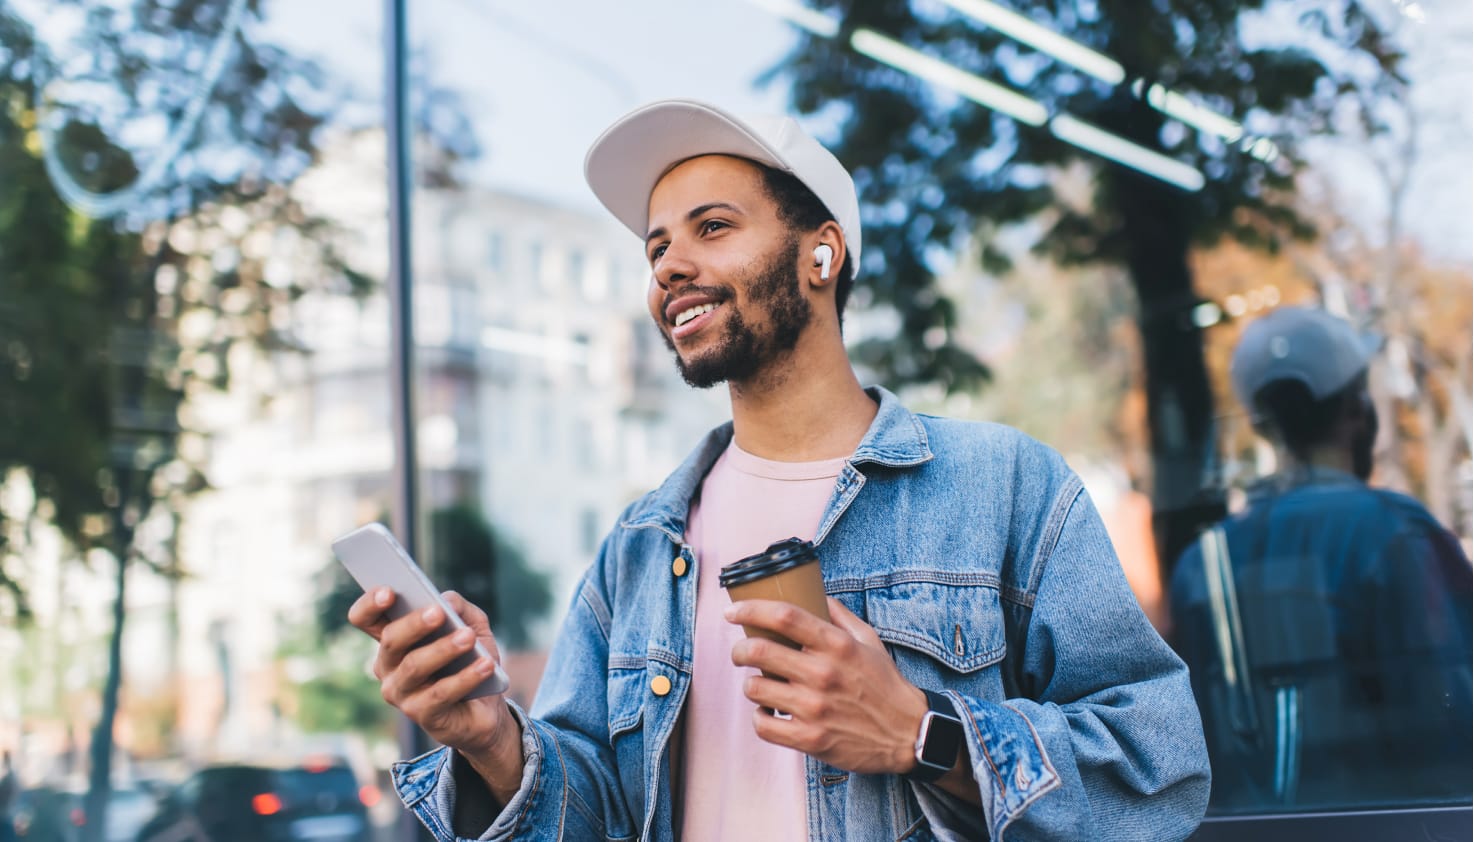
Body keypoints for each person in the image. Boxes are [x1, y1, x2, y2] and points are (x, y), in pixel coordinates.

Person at [351, 99, 1210, 841]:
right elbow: (598, 816)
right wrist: (493, 742)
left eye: (712, 228)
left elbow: (1160, 770)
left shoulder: (1006, 487)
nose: (670, 267)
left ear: (822, 254)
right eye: (656, 249)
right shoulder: (641, 547)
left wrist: (921, 731)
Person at [1169, 306, 1473, 811]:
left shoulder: (1202, 563)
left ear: (1262, 426)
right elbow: (1455, 725)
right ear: (1358, 409)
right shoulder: (1399, 532)